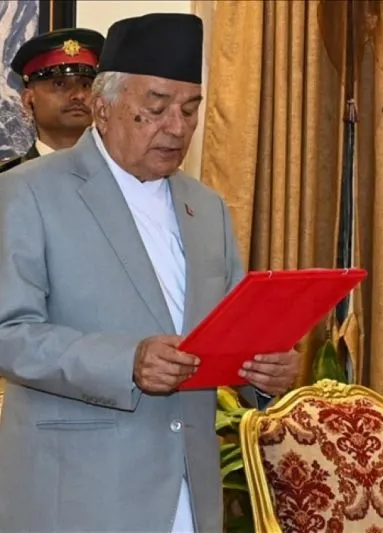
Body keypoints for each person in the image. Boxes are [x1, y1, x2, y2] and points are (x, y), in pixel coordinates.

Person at [0, 13, 299, 532]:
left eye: (190, 109)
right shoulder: (27, 192)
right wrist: (126, 362)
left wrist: (265, 371)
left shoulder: (206, 208)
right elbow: (9, 332)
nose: (177, 127)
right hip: (78, 496)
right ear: (103, 107)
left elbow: (232, 329)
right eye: (156, 108)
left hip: (191, 492)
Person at [0, 27, 104, 172]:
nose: (79, 95)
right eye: (60, 84)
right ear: (28, 101)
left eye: (86, 85)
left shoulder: (122, 175)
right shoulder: (7, 180)